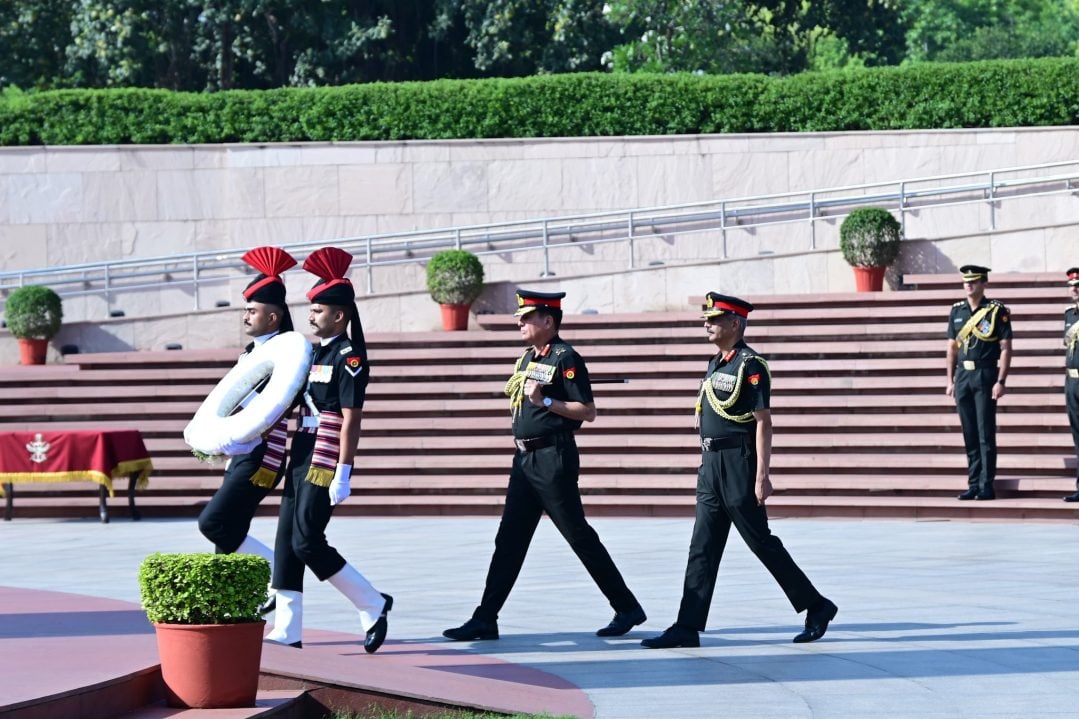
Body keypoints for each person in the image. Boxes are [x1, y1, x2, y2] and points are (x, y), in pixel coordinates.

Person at [443, 289, 647, 642]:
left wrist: (547, 399)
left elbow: (588, 411)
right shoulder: (526, 359)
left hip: (553, 458)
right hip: (524, 459)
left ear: (548, 321)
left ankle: (627, 606)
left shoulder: (566, 358)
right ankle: (485, 618)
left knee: (578, 535)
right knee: (508, 540)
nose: (520, 322)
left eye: (527, 317)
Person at [641, 292, 837, 650]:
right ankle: (687, 625)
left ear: (735, 323)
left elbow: (764, 422)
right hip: (711, 465)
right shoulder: (716, 362)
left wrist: (763, 474)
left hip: (738, 464)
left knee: (760, 542)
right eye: (707, 319)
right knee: (701, 546)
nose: (707, 324)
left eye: (715, 320)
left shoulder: (751, 365)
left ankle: (817, 605)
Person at [266, 246, 392, 653]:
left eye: (318, 309)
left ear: (339, 315)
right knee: (287, 539)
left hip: (324, 454)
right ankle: (287, 628)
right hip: (300, 449)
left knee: (307, 539)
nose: (311, 315)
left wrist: (344, 471)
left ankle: (371, 602)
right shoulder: (313, 351)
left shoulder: (349, 357)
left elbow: (352, 418)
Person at [197, 246, 296, 573]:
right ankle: (235, 603)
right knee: (226, 536)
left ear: (273, 317)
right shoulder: (252, 353)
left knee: (213, 523)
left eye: (252, 311)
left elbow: (278, 405)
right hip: (243, 451)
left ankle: (275, 573)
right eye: (245, 309)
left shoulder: (287, 355)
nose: (245, 316)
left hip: (261, 453)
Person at [946, 265, 1012, 501]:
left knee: (985, 433)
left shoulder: (996, 310)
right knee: (969, 433)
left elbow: (1006, 348)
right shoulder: (956, 311)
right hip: (963, 376)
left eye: (973, 281)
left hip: (985, 375)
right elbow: (951, 348)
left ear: (983, 283)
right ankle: (973, 483)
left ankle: (986, 484)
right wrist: (949, 379)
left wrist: (1001, 380)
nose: (968, 285)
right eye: (966, 281)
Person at [1063, 267, 1079, 503]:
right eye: (1072, 286)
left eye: (1077, 286)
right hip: (1072, 381)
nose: (1074, 289)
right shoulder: (1069, 315)